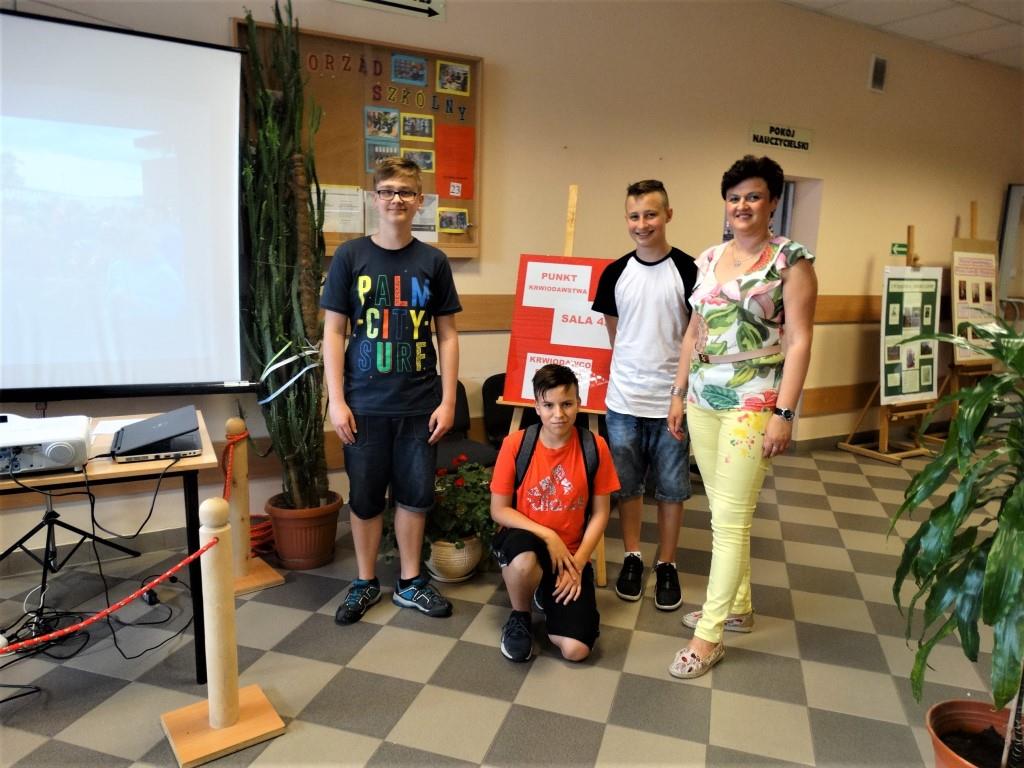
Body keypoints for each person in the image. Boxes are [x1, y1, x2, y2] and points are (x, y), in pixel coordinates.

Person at [666, 155, 817, 678]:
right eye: (734, 198)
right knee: (723, 513)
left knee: (731, 520)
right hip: (703, 397)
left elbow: (800, 341)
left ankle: (707, 637)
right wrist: (678, 393)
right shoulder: (709, 257)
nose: (742, 206)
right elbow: (693, 330)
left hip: (753, 400)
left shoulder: (790, 261)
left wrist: (785, 412)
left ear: (773, 201)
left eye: (753, 196)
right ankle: (739, 607)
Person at [321, 156, 462, 625]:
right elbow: (334, 332)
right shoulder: (350, 257)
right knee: (364, 499)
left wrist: (447, 400)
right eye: (387, 191)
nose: (395, 199)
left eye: (405, 192)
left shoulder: (433, 261)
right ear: (374, 198)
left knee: (415, 497)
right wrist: (337, 401)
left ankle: (409, 582)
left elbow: (447, 335)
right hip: (363, 405)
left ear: (420, 200)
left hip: (419, 405)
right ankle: (364, 582)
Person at [592, 179, 698, 610]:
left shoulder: (690, 271)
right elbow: (616, 335)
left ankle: (667, 563)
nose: (642, 224)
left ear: (668, 215)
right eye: (634, 216)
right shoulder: (615, 273)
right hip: (623, 402)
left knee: (672, 489)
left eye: (651, 214)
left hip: (672, 402)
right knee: (628, 486)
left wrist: (679, 393)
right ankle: (633, 556)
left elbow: (695, 337)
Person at [488, 364, 620, 663]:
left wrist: (578, 563)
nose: (558, 414)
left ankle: (545, 591)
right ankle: (520, 616)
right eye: (548, 405)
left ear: (579, 404)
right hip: (525, 539)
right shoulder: (516, 444)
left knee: (576, 650)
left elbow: (601, 513)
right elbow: (499, 509)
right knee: (524, 562)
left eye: (567, 404)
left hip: (570, 554)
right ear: (536, 407)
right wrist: (548, 535)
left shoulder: (595, 446)